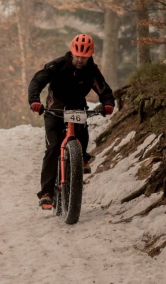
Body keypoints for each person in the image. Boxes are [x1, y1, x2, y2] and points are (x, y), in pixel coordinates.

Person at [28, 34, 115, 209]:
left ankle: (81, 157)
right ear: (72, 52)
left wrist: (108, 104)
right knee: (53, 148)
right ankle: (46, 193)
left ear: (90, 55)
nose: (80, 60)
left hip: (77, 109)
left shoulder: (92, 70)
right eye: (77, 56)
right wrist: (34, 100)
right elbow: (37, 81)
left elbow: (103, 89)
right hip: (55, 111)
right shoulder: (57, 65)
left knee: (82, 131)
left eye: (84, 57)